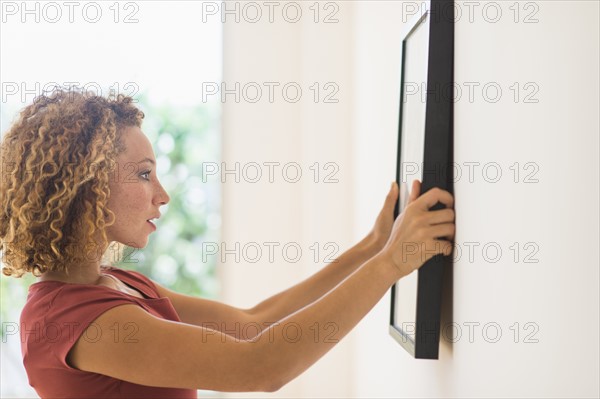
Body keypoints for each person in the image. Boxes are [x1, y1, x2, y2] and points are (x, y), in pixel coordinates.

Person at [0, 88, 455, 398]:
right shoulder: (71, 320)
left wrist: (373, 247)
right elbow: (262, 366)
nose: (162, 194)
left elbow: (252, 323)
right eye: (143, 174)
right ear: (87, 187)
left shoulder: (117, 285)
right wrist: (390, 264)